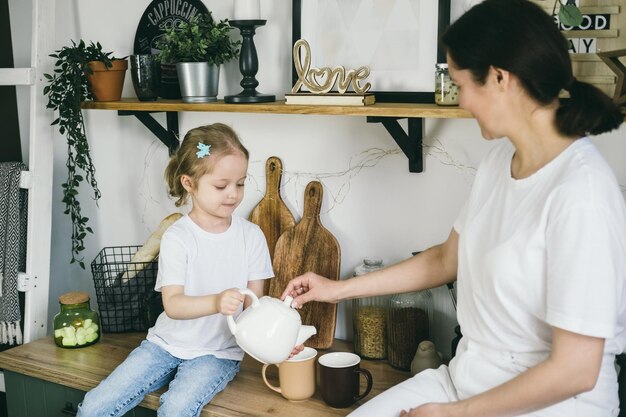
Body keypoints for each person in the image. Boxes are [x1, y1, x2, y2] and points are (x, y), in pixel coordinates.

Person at [282, 1, 626, 416]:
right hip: (466, 379)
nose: (461, 102)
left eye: (462, 85)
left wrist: (453, 414)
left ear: (500, 78)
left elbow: (576, 371)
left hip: (553, 404)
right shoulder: (500, 161)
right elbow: (447, 258)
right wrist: (336, 289)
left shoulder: (581, 193)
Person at [77, 123, 274, 417]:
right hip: (164, 345)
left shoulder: (252, 236)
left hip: (217, 354)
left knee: (177, 409)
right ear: (189, 183)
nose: (233, 194)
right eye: (221, 186)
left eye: (241, 183)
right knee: (94, 407)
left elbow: (253, 309)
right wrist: (217, 302)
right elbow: (173, 305)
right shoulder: (177, 237)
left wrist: (278, 343)